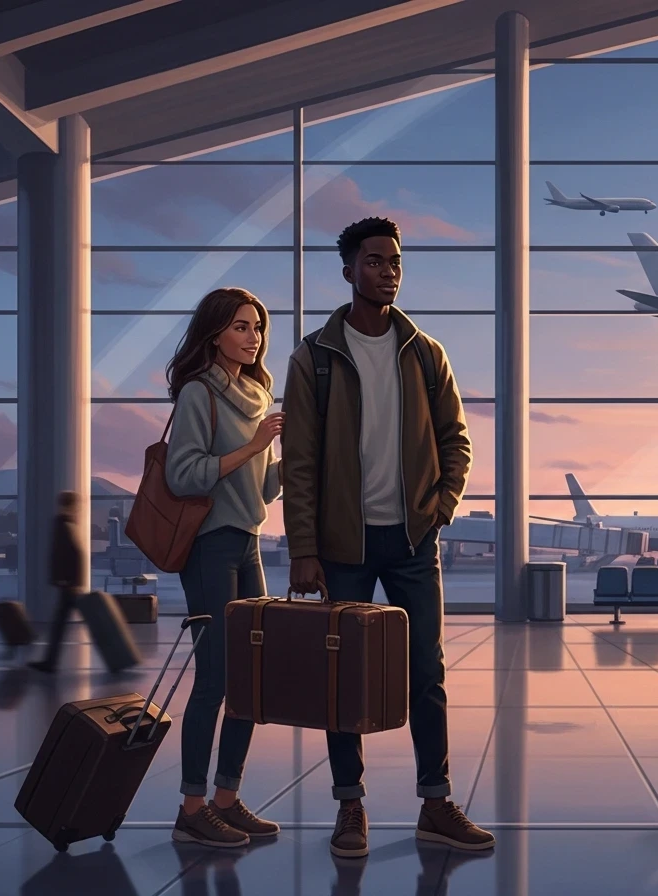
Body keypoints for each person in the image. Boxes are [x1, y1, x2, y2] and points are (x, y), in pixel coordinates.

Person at [281, 217, 492, 859]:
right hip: (341, 546)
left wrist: (442, 506)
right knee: (343, 680)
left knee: (426, 672)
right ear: (348, 271)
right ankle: (351, 806)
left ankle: (435, 802)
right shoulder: (314, 358)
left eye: (395, 262)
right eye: (375, 261)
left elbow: (456, 438)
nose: (388, 271)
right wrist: (303, 550)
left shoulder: (425, 353)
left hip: (410, 540)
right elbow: (299, 461)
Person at [164, 287, 285, 848]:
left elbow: (260, 487)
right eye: (241, 326)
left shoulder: (256, 395)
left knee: (251, 681)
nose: (253, 336)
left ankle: (226, 800)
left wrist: (289, 455)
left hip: (249, 542)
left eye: (257, 326)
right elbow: (184, 476)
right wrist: (253, 444)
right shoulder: (198, 394)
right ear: (215, 333)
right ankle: (191, 809)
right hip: (210, 546)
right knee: (214, 679)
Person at [28, 492, 86, 674]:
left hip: (68, 584)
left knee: (59, 625)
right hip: (71, 583)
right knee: (62, 624)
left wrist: (64, 579)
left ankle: (50, 662)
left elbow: (65, 553)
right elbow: (77, 553)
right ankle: (50, 661)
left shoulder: (63, 523)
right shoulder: (70, 523)